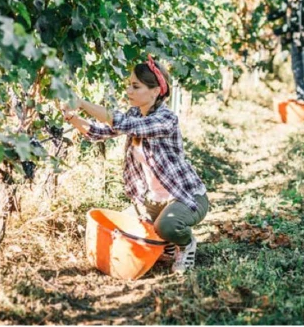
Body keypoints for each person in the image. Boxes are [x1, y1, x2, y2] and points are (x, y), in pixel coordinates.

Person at [61, 56, 208, 274]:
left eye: (135, 86)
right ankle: (165, 241)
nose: (128, 90)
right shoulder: (135, 113)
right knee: (123, 231)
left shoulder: (166, 119)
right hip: (152, 201)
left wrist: (82, 103)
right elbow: (99, 133)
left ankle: (185, 244)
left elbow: (123, 123)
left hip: (185, 196)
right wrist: (73, 118)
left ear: (155, 91)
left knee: (167, 226)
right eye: (129, 85)